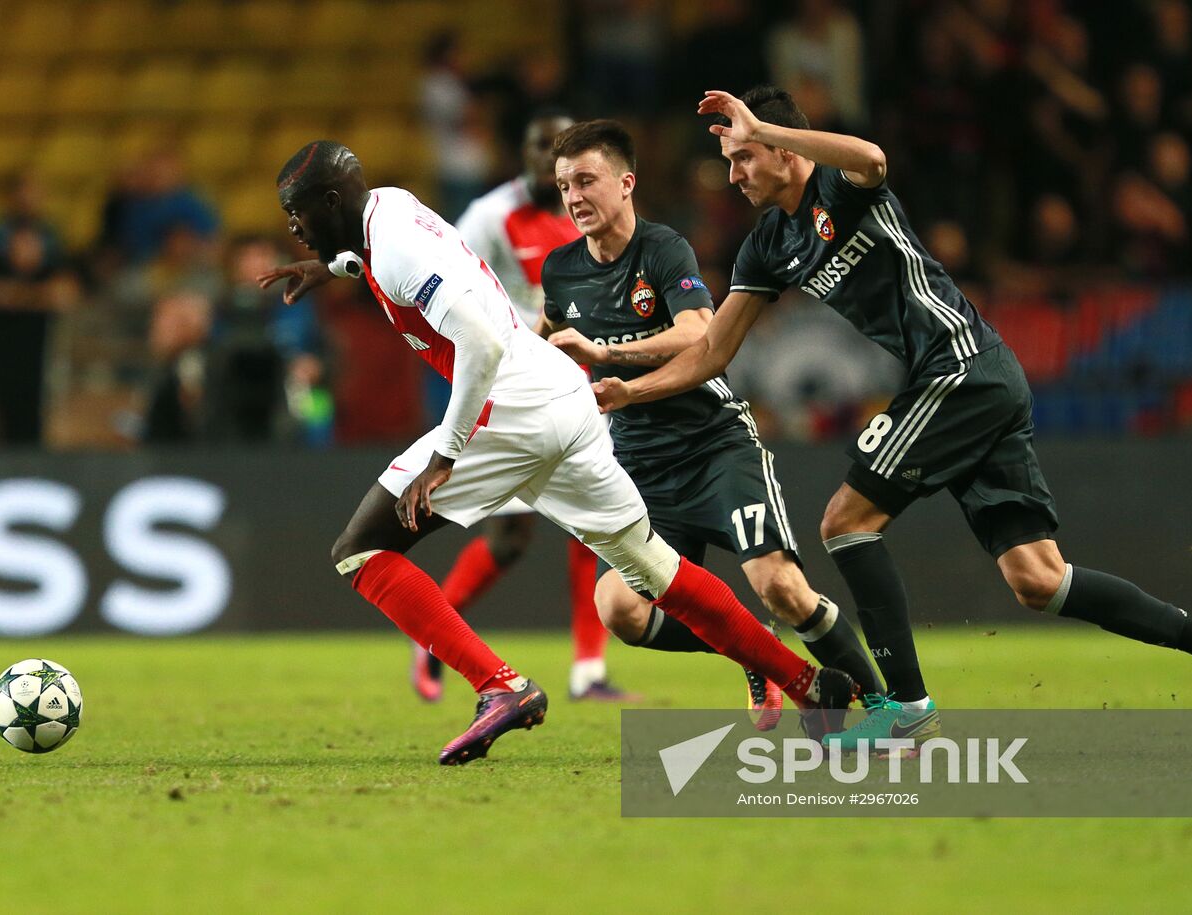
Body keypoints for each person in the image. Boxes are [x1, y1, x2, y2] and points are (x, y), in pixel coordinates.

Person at [594, 86, 1192, 745]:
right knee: (1038, 578)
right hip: (964, 381)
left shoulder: (840, 189)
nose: (734, 175)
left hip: (962, 367)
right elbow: (713, 349)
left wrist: (769, 131)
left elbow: (873, 158)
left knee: (845, 522)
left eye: (743, 157)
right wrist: (632, 389)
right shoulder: (767, 244)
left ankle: (907, 709)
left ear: (780, 148)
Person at [256, 140, 855, 765]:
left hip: (510, 406)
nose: (292, 228)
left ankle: (501, 688)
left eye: (295, 213)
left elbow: (480, 345)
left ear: (329, 201)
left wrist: (445, 456)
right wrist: (331, 269)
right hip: (564, 398)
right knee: (655, 573)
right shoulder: (388, 209)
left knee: (361, 551)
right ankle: (810, 684)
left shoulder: (398, 246)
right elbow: (382, 260)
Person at [541, 119, 881, 729]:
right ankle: (758, 657)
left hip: (713, 447)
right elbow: (543, 341)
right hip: (639, 466)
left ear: (626, 183)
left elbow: (700, 331)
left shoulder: (663, 249)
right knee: (618, 610)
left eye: (587, 180)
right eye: (564, 185)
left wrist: (609, 353)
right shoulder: (560, 271)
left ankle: (886, 709)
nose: (574, 197)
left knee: (780, 587)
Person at [414, 111, 625, 704]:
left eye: (561, 148)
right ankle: (434, 632)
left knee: (591, 528)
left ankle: (588, 671)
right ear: (524, 151)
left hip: (579, 382)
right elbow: (442, 282)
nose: (549, 159)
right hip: (513, 386)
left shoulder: (594, 212)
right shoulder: (488, 216)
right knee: (511, 537)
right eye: (540, 146)